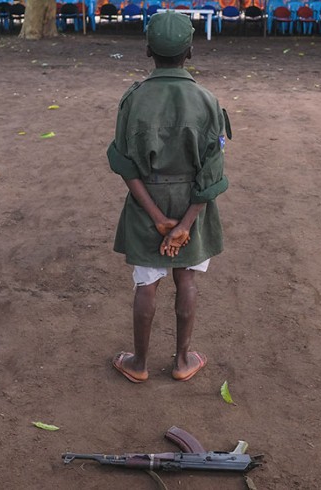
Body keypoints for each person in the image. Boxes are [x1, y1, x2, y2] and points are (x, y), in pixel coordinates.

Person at [106, 11, 230, 383]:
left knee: (146, 281)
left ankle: (139, 363)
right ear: (190, 51)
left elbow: (124, 164)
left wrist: (158, 218)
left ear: (147, 50)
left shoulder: (134, 99)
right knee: (186, 279)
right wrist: (185, 225)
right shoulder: (207, 101)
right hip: (191, 200)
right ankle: (181, 360)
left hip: (148, 200)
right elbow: (212, 171)